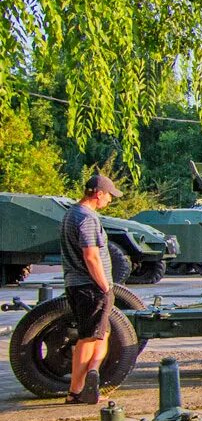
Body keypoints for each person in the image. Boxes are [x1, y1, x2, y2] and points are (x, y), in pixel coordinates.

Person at [61, 173, 120, 404]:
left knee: (101, 334)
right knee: (88, 338)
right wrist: (104, 285)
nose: (110, 201)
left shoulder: (71, 214)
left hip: (79, 284)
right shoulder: (87, 218)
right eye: (109, 196)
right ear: (98, 194)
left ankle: (92, 375)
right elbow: (91, 255)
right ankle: (75, 392)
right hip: (90, 287)